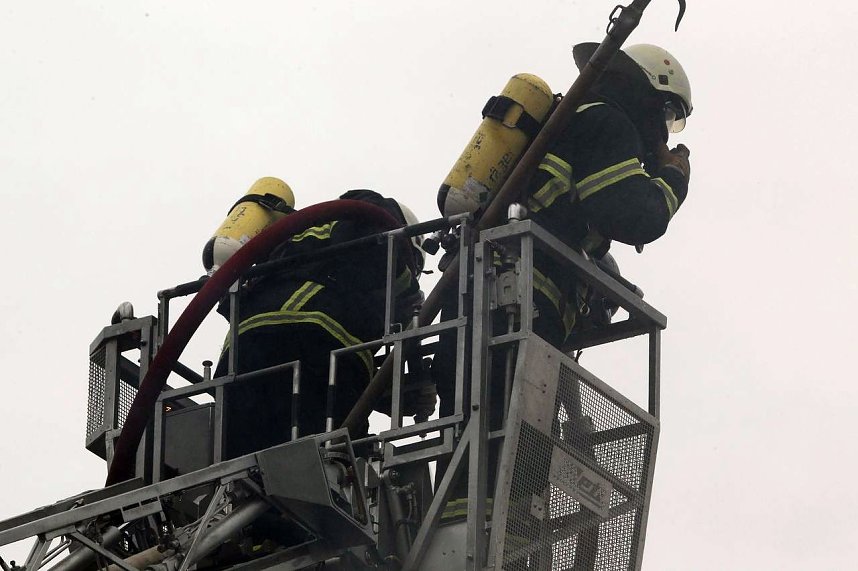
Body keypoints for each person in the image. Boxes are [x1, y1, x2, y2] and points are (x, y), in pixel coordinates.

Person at [433, 42, 694, 520]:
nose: (664, 134)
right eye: (671, 117)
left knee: (475, 423)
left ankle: (466, 516)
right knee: (517, 420)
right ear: (651, 99)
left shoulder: (573, 123)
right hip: (521, 300)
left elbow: (565, 213)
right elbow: (636, 216)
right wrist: (674, 180)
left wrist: (601, 276)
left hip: (476, 294)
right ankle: (508, 523)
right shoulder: (608, 122)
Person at [214, 189, 423, 459]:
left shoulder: (293, 236)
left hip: (242, 354)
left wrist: (388, 395)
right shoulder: (375, 221)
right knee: (337, 456)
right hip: (312, 340)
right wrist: (411, 298)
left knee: (244, 469)